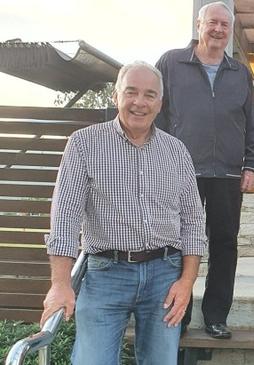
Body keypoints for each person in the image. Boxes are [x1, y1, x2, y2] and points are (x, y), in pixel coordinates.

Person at [40, 61, 207, 365]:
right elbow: (65, 215)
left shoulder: (177, 151)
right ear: (115, 96)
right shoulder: (84, 144)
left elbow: (193, 221)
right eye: (131, 92)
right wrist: (60, 284)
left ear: (160, 103)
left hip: (164, 276)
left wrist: (186, 282)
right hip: (105, 274)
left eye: (149, 94)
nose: (139, 102)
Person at [155, 1, 254, 339]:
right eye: (212, 23)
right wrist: (155, 160)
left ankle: (216, 316)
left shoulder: (239, 72)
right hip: (179, 172)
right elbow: (156, 113)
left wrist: (253, 164)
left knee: (224, 244)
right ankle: (179, 315)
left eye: (224, 25)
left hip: (228, 174)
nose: (218, 29)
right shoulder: (171, 62)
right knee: (177, 243)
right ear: (199, 26)